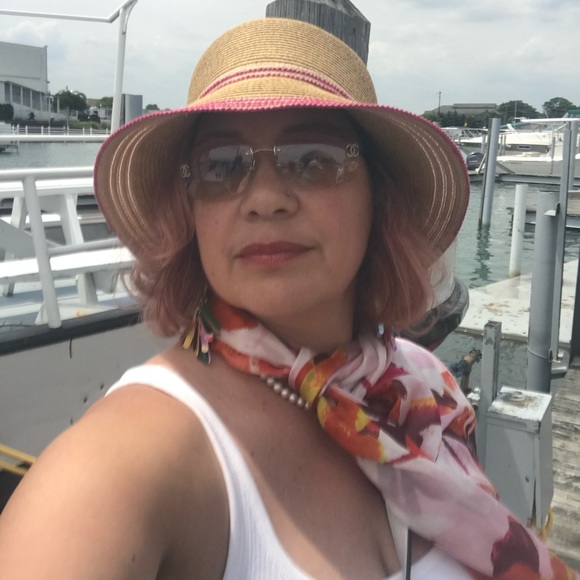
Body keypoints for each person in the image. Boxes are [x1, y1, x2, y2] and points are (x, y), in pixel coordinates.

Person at [0, 17, 576, 580]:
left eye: (313, 160)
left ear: (378, 195)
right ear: (189, 209)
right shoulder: (127, 461)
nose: (266, 198)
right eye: (222, 166)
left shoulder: (420, 389)